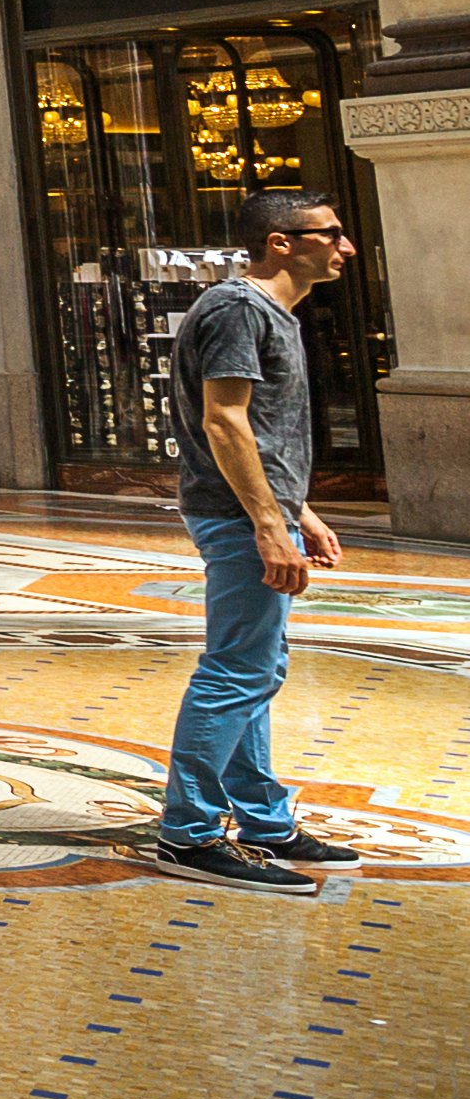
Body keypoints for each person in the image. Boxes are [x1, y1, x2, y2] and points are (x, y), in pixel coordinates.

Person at [154, 187, 359, 892]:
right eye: (329, 234)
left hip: (258, 511)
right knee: (237, 671)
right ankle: (188, 834)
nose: (344, 247)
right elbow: (223, 421)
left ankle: (263, 820)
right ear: (281, 243)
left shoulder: (269, 312)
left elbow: (260, 432)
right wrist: (269, 524)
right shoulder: (238, 309)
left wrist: (298, 511)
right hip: (239, 516)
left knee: (257, 668)